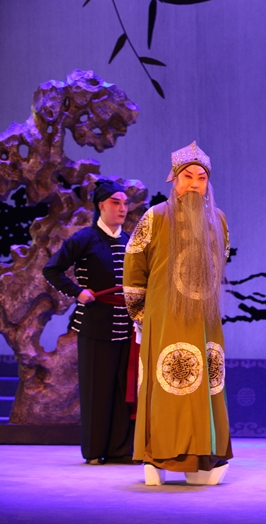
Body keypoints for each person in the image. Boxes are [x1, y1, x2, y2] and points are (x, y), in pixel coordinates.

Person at [123, 141, 232, 486]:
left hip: (205, 320)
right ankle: (158, 457)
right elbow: (133, 267)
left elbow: (220, 264)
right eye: (188, 176)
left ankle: (204, 456)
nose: (195, 184)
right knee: (168, 386)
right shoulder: (155, 216)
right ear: (174, 179)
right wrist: (142, 314)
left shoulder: (218, 220)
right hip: (164, 317)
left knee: (205, 385)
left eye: (201, 178)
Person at [43, 178, 135, 465]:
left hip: (127, 326)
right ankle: (95, 451)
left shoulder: (130, 241)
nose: (122, 208)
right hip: (95, 324)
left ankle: (121, 449)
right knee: (97, 389)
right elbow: (52, 270)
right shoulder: (85, 238)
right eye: (116, 203)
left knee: (123, 389)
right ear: (101, 206)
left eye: (125, 203)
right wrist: (77, 292)